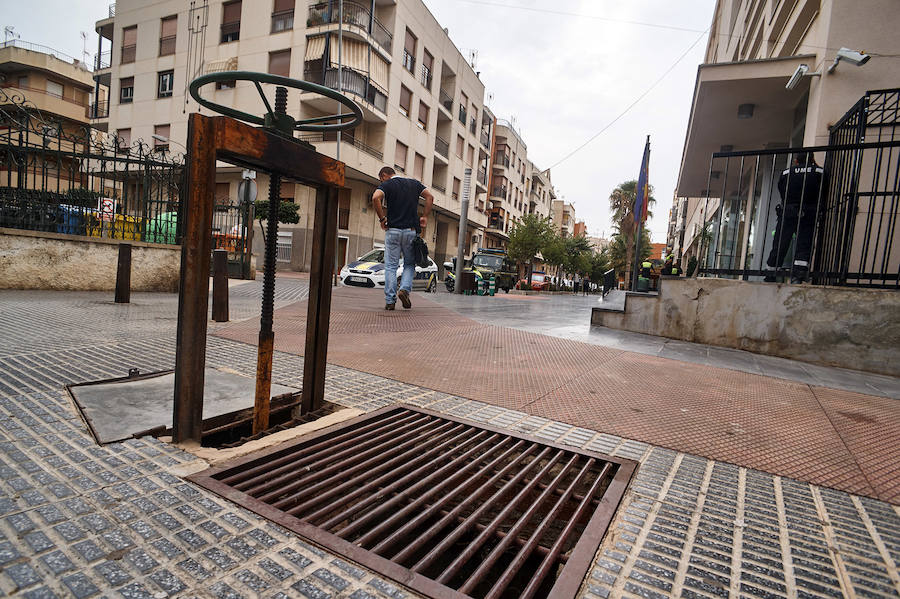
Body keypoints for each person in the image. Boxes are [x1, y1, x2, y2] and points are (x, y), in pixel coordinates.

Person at [371, 166, 434, 310]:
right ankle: (405, 289)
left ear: (384, 175)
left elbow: (375, 197)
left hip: (393, 230)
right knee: (409, 264)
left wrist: (382, 219)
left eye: (381, 179)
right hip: (411, 231)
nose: (381, 182)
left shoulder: (387, 184)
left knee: (391, 266)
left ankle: (390, 301)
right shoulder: (415, 184)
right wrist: (424, 216)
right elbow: (430, 197)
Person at [766, 152, 827, 283]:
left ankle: (771, 273)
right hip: (809, 212)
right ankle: (798, 275)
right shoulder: (819, 172)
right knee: (804, 243)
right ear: (812, 159)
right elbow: (823, 190)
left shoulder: (787, 173)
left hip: (788, 211)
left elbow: (782, 190)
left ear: (796, 161)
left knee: (781, 242)